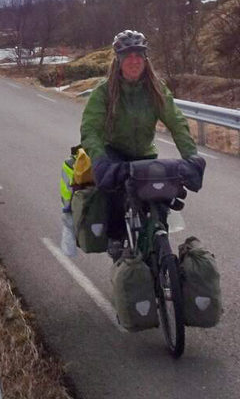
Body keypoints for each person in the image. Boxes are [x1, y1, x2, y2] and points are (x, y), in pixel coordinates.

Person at [79, 30, 198, 259]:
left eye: (139, 55)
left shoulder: (156, 89)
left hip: (144, 154)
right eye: (128, 56)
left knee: (160, 198)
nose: (134, 60)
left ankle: (158, 240)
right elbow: (90, 129)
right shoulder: (104, 92)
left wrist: (191, 155)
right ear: (119, 60)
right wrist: (100, 159)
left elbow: (176, 122)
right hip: (115, 153)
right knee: (113, 194)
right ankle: (115, 237)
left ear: (145, 59)